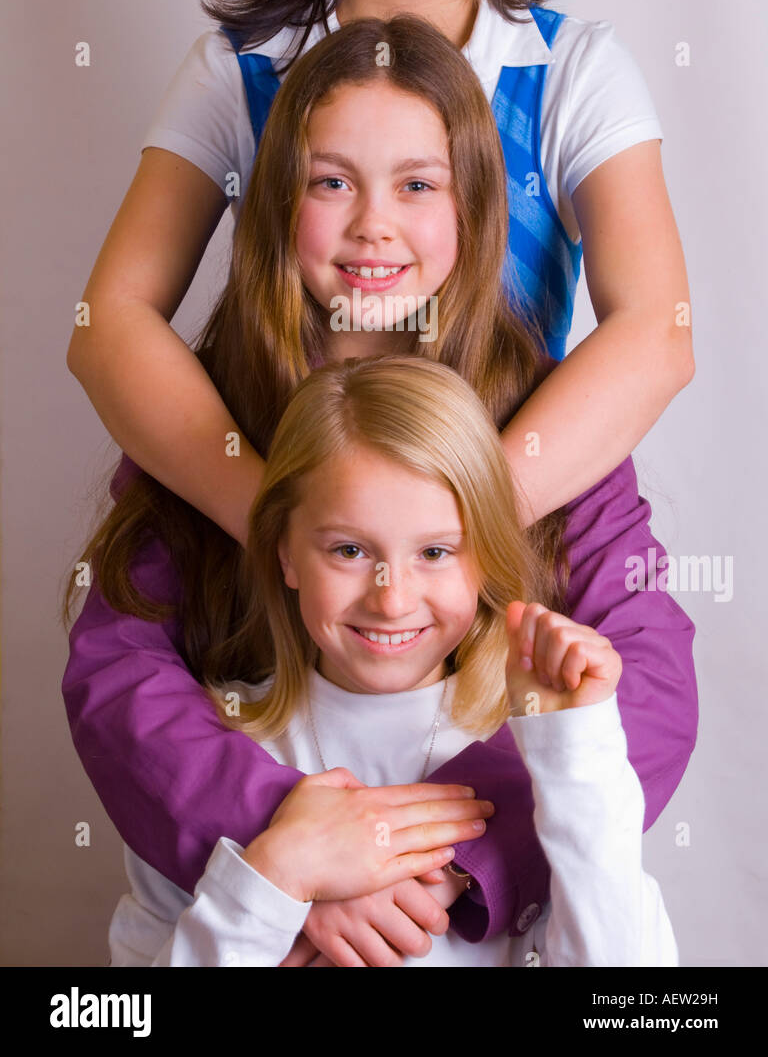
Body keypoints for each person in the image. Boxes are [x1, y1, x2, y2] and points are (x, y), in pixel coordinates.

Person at [64, 16, 697, 967]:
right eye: (330, 183)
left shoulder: (552, 419)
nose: (373, 225)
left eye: (417, 185)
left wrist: (446, 861)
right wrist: (291, 865)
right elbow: (120, 683)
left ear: (474, 209)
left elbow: (644, 678)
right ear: (277, 204)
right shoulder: (205, 414)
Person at [66, 0, 694, 554]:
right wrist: (282, 527)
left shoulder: (574, 73)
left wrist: (452, 534)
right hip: (299, 531)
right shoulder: (239, 70)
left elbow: (658, 332)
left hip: (500, 531)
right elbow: (109, 322)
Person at [108, 355, 679, 968]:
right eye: (349, 549)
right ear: (285, 554)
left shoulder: (530, 752)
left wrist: (577, 750)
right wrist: (275, 872)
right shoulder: (208, 754)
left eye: (434, 551)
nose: (392, 597)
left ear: (483, 558)